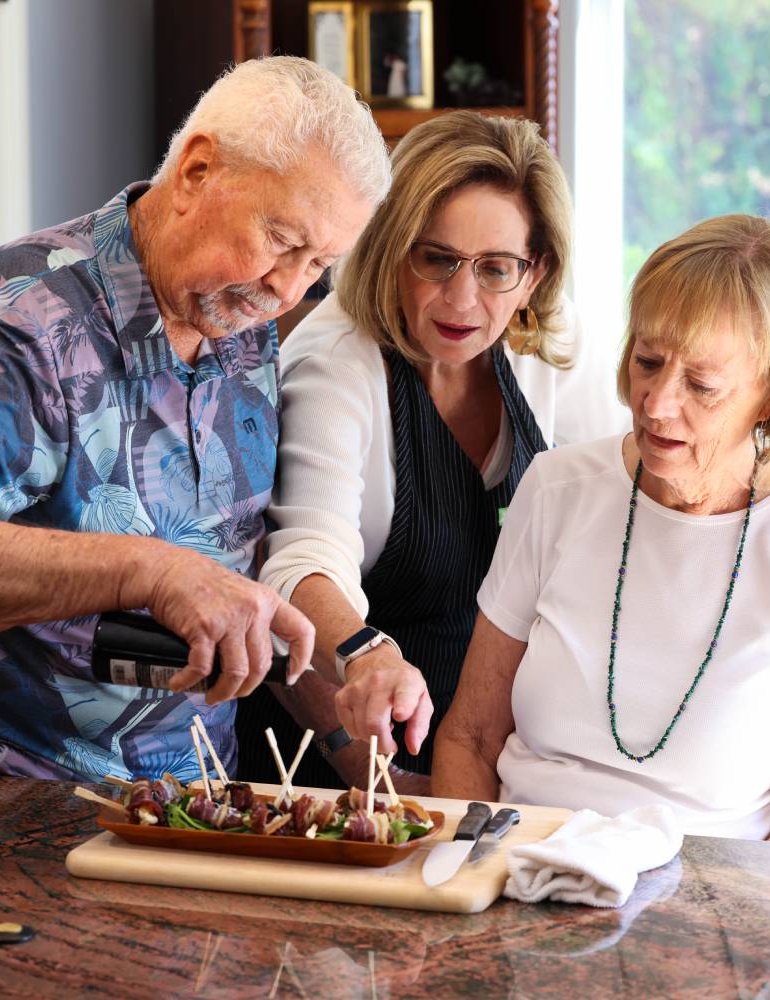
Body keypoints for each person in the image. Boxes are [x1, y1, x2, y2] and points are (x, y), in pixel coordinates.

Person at [0, 57, 391, 783]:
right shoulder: (23, 316)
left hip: (190, 807)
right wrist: (150, 570)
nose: (287, 287)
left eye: (317, 265)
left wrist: (356, 727)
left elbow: (233, 599)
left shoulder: (238, 318)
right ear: (197, 172)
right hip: (8, 801)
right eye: (280, 239)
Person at [432, 214, 770, 844]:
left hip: (709, 911)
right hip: (515, 877)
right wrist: (467, 885)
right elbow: (470, 738)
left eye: (702, 385)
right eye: (648, 360)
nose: (658, 403)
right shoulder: (557, 489)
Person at [243, 111, 626, 791]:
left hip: (497, 754)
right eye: (436, 258)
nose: (462, 298)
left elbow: (628, 507)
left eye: (496, 268)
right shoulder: (337, 361)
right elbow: (301, 563)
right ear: (392, 246)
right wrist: (367, 667)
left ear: (534, 273)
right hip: (352, 758)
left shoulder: (551, 348)